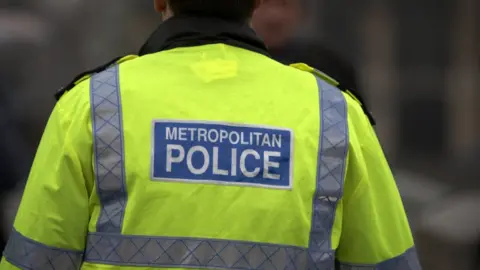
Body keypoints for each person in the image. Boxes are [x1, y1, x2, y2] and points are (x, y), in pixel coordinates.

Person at [1, 0, 420, 269]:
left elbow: (34, 260)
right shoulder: (334, 113)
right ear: (255, 2)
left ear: (161, 0)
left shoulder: (92, 104)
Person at [251, 0, 374, 124]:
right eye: (264, 4)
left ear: (301, 11)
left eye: (284, 4)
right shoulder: (234, 61)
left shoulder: (331, 68)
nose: (274, 16)